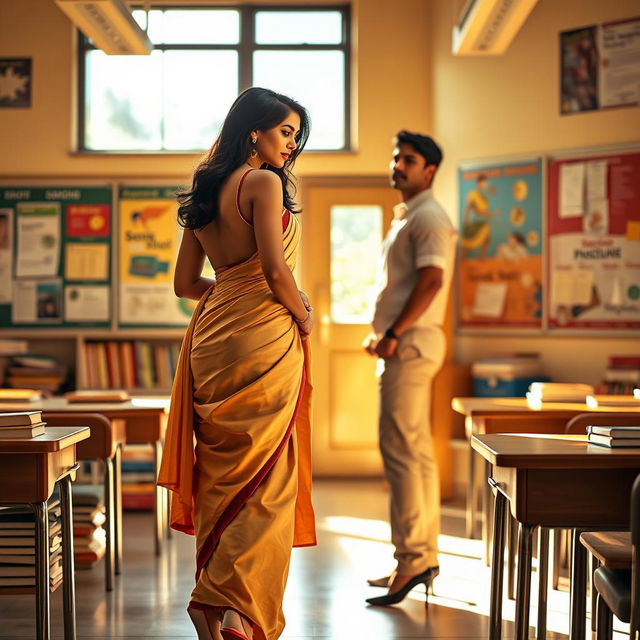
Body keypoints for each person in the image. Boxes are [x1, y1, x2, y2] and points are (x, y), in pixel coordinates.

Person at [158, 87, 316, 640]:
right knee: (268, 477)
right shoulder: (264, 183)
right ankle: (238, 611)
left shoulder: (203, 187)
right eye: (286, 132)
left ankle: (213, 599)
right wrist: (304, 316)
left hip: (211, 336)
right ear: (255, 131)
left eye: (296, 135)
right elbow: (276, 272)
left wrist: (230, 291)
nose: (291, 145)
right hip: (263, 337)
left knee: (224, 470)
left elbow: (184, 285)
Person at [363, 131, 456, 607]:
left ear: (430, 171)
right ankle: (418, 557)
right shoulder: (409, 216)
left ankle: (414, 558)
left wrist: (394, 333)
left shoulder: (429, 217)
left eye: (410, 159)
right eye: (396, 156)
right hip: (404, 344)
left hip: (412, 346)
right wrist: (385, 332)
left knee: (402, 453)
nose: (398, 164)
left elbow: (433, 280)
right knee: (413, 454)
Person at [461, 173, 500, 259]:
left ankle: (481, 258)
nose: (484, 184)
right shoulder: (473, 194)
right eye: (483, 182)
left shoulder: (484, 196)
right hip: (475, 221)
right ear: (479, 183)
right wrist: (466, 219)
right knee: (470, 243)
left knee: (487, 240)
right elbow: (471, 209)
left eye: (485, 182)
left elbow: (483, 211)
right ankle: (463, 259)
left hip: (483, 221)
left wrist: (491, 217)